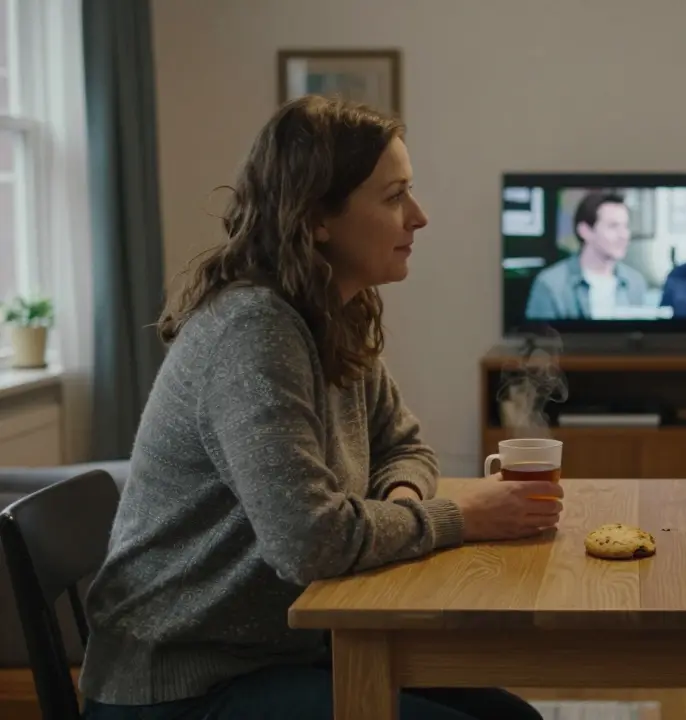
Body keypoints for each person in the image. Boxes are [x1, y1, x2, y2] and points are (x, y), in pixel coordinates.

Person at [78, 96, 557, 720]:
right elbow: (309, 543)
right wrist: (457, 519)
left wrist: (403, 503)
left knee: (510, 719)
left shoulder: (332, 311)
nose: (420, 217)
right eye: (394, 197)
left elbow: (403, 445)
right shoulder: (255, 331)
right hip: (185, 681)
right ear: (318, 218)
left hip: (281, 650)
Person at [524, 190, 648, 320]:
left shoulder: (635, 282)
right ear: (585, 231)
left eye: (625, 226)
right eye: (613, 226)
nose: (624, 235)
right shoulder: (550, 284)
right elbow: (540, 338)